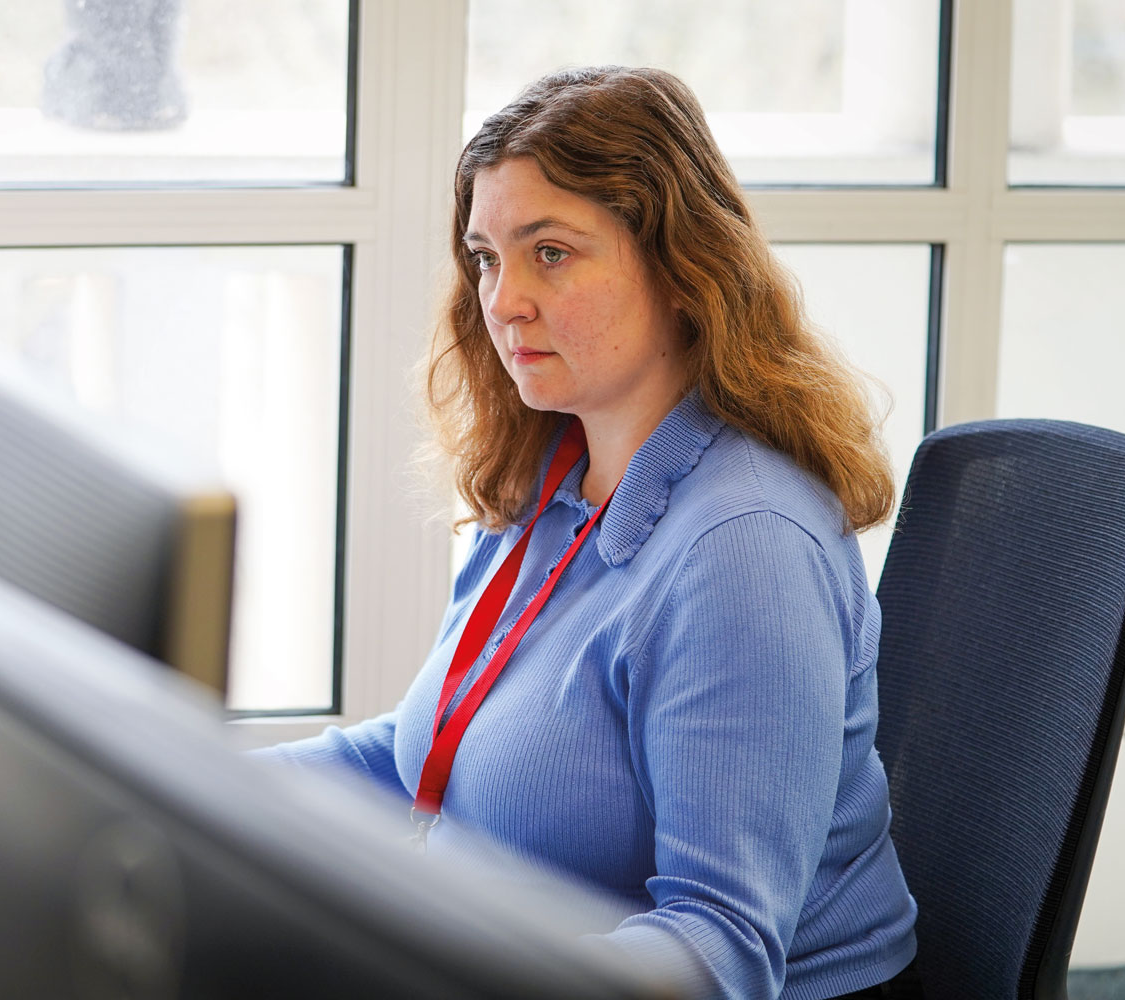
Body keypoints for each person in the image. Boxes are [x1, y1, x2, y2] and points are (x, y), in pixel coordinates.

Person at [253, 66, 922, 1000]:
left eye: (551, 253)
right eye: (486, 256)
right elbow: (422, 751)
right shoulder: (557, 475)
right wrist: (187, 784)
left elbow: (720, 943)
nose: (503, 300)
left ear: (684, 268)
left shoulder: (746, 549)